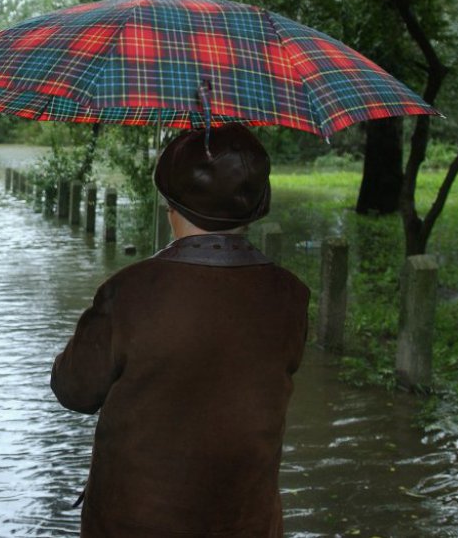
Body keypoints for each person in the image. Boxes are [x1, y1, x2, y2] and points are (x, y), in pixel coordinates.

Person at [50, 123, 309, 538]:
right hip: (247, 521)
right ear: (259, 203)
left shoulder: (131, 292)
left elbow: (74, 390)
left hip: (134, 522)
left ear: (171, 205)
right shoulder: (290, 296)